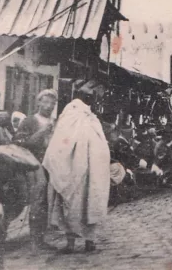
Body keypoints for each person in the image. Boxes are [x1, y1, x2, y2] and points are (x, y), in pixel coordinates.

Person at [43, 90, 111, 254]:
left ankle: (71, 243)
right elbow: (103, 151)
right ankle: (90, 241)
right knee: (89, 204)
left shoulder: (69, 117)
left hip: (72, 173)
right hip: (91, 175)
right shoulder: (93, 120)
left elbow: (58, 147)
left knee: (70, 207)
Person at [13, 89, 58, 251]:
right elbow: (19, 142)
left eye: (52, 103)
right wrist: (42, 132)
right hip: (34, 165)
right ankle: (35, 241)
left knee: (46, 203)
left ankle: (40, 238)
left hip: (50, 165)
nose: (48, 106)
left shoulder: (55, 121)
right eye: (45, 102)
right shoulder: (29, 121)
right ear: (38, 103)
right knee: (37, 203)